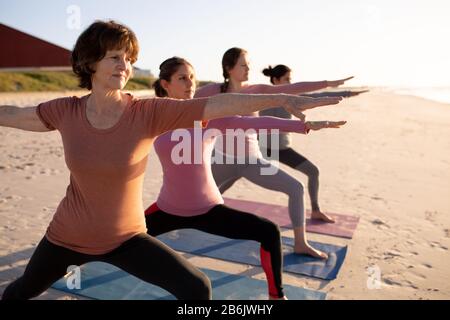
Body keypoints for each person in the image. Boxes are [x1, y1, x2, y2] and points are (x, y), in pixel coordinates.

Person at [0, 21, 342, 300]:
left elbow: (217, 107)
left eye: (128, 58)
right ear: (91, 62)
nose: (124, 65)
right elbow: (15, 114)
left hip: (125, 239)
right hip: (65, 238)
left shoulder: (146, 112)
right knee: (20, 292)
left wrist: (283, 99)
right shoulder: (66, 111)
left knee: (197, 289)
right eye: (115, 57)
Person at [144, 57, 346, 299]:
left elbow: (254, 121)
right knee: (112, 240)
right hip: (166, 209)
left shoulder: (209, 115)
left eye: (192, 77)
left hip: (208, 208)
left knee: (269, 232)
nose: (190, 83)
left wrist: (304, 126)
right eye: (182, 78)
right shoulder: (152, 115)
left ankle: (276, 295)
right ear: (165, 84)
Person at [195, 47, 351, 259]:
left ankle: (300, 243)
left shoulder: (256, 89)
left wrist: (326, 84)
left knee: (296, 188)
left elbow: (294, 88)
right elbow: (186, 105)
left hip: (252, 161)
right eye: (243, 64)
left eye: (249, 64)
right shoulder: (211, 91)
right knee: (200, 197)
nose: (248, 68)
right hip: (222, 160)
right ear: (229, 68)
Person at [260, 64, 368, 222]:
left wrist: (349, 93)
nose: (291, 82)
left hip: (282, 149)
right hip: (262, 149)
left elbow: (319, 96)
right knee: (237, 172)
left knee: (313, 171)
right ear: (275, 80)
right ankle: (212, 201)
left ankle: (316, 210)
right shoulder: (261, 97)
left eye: (291, 79)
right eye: (287, 79)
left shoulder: (293, 98)